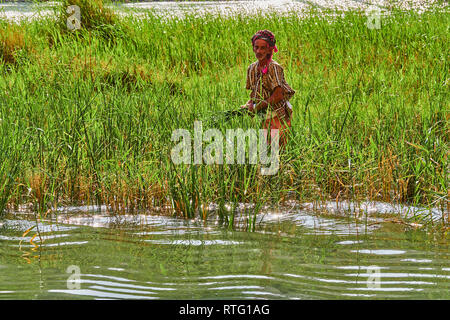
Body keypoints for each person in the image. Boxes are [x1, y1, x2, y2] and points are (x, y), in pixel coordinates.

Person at [242, 30, 295, 148]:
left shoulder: (274, 68)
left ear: (270, 49)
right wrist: (249, 104)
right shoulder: (252, 68)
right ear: (253, 48)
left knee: (279, 149)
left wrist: (258, 106)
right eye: (256, 47)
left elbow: (278, 96)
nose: (259, 51)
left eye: (263, 48)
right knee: (267, 148)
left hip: (278, 115)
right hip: (264, 116)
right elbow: (254, 93)